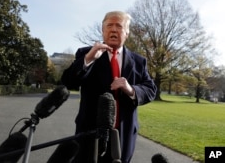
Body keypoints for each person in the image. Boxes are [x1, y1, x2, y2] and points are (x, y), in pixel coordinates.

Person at [61, 11, 157, 163]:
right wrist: (88, 60)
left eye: (119, 26)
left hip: (123, 135)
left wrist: (131, 89)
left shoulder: (139, 61)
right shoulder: (86, 53)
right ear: (103, 30)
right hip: (90, 133)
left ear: (127, 32)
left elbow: (150, 89)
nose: (113, 29)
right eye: (109, 25)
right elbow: (68, 82)